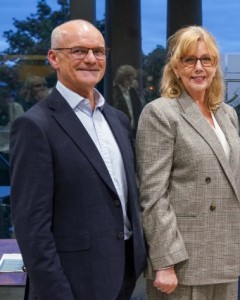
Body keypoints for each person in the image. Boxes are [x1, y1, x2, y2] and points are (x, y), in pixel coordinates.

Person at [10, 19, 146, 299]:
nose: (91, 59)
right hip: (71, 283)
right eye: (79, 51)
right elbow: (31, 227)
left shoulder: (117, 120)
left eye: (98, 51)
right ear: (53, 58)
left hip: (124, 277)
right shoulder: (35, 126)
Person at [136, 25, 240, 300]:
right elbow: (153, 195)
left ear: (215, 66)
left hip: (225, 254)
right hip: (183, 261)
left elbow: (237, 187)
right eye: (189, 60)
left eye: (206, 60)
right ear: (176, 68)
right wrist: (164, 261)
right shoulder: (161, 113)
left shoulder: (226, 114)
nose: (199, 68)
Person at [111, 64, 145, 133]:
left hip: (134, 130)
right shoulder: (114, 91)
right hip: (120, 129)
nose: (130, 78)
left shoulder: (133, 91)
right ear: (121, 77)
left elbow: (139, 108)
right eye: (127, 75)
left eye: (132, 75)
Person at [0, 86, 23, 156]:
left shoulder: (16, 107)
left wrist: (10, 111)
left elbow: (19, 130)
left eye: (10, 97)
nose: (9, 100)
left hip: (15, 148)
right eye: (5, 97)